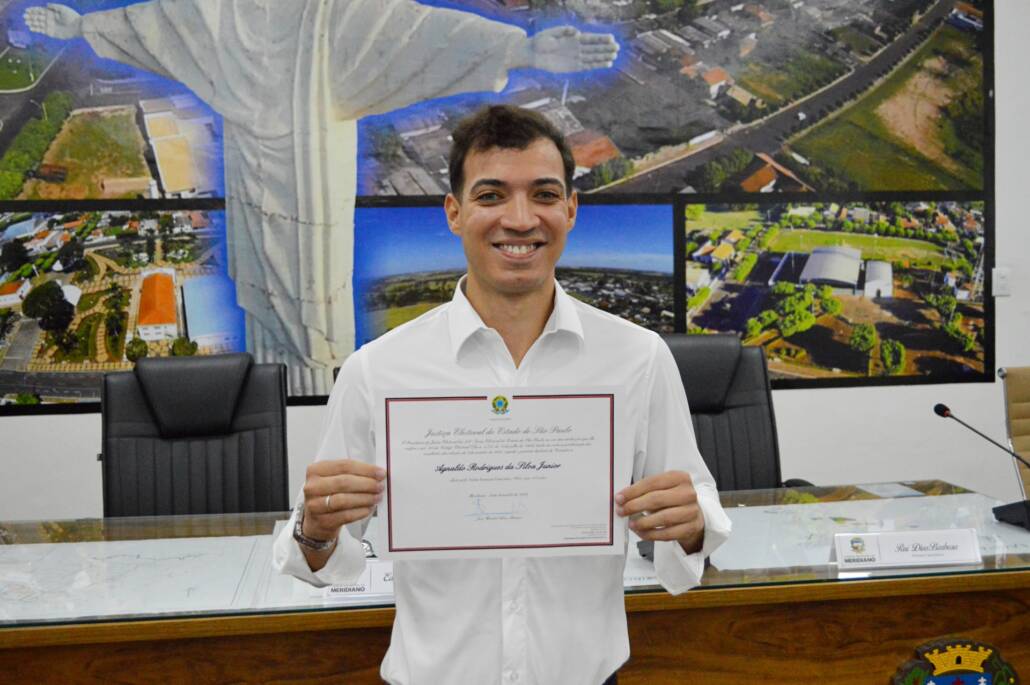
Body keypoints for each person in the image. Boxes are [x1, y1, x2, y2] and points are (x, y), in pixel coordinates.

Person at [273, 105, 731, 684]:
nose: (520, 219)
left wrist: (691, 523)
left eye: (544, 194)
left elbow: (698, 517)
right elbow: (317, 562)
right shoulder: (376, 371)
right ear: (455, 213)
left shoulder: (638, 358)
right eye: (491, 195)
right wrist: (315, 527)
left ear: (570, 209)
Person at [24, 0, 619, 395]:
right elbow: (162, 24)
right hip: (252, 183)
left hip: (311, 186)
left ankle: (317, 429)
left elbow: (413, 34)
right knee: (266, 318)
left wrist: (520, 50)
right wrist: (83, 28)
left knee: (313, 334)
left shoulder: (333, 13)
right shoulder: (220, 12)